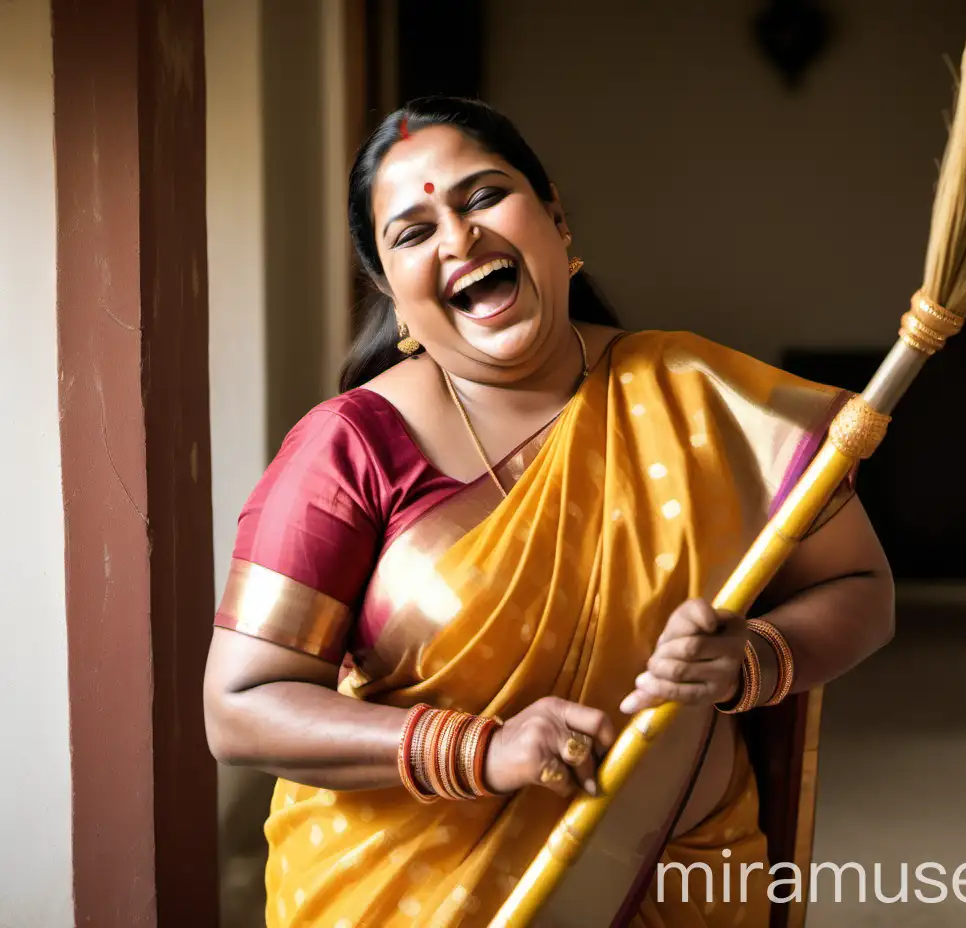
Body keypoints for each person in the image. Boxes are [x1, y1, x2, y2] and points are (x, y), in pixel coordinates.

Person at [203, 96, 894, 928]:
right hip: (415, 896)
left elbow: (862, 588)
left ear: (557, 220)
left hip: (681, 874)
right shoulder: (348, 449)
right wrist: (480, 751)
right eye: (414, 232)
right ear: (391, 289)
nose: (459, 240)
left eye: (483, 197)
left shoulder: (697, 394)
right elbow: (240, 709)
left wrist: (753, 657)